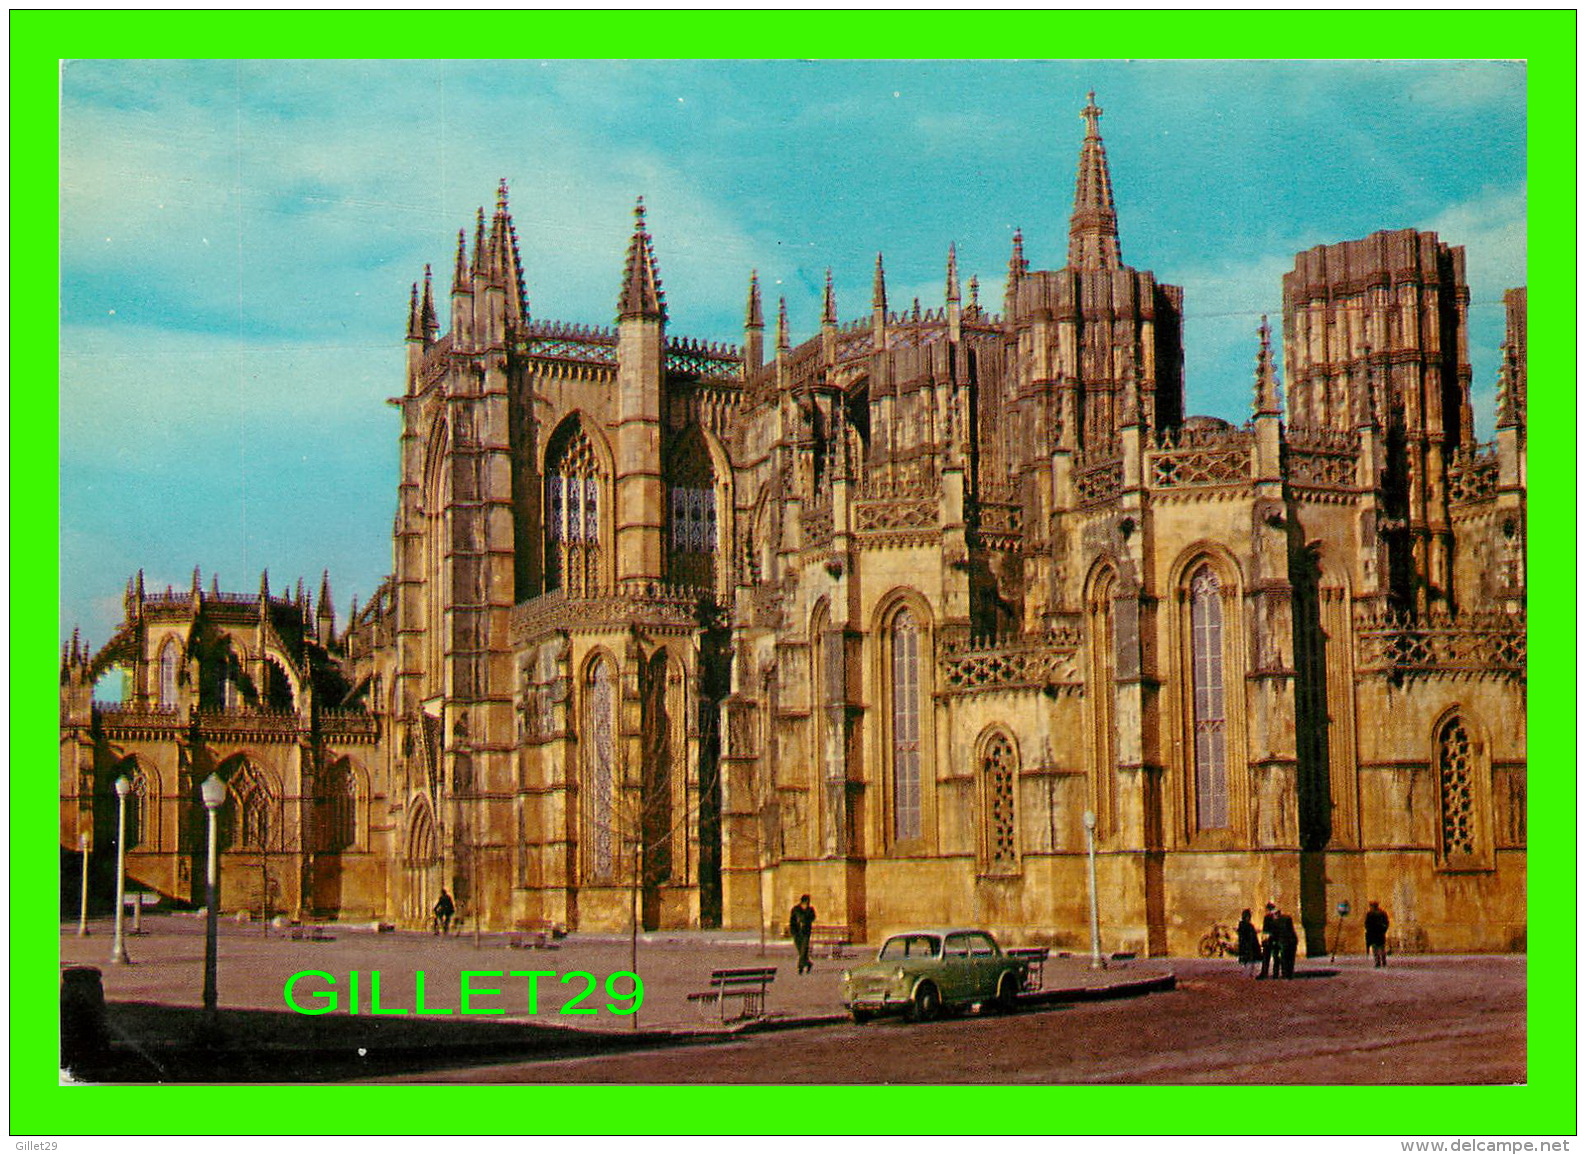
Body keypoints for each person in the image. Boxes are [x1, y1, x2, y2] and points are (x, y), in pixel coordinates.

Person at [789, 894, 817, 974]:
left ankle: (800, 967)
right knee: (800, 951)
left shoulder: (810, 910)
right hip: (797, 933)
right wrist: (792, 931)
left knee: (803, 950)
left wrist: (806, 920)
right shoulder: (795, 909)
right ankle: (808, 964)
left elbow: (813, 917)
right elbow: (792, 921)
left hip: (805, 933)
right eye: (806, 902)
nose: (807, 904)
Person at [1364, 900, 1390, 967]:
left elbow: (1367, 924)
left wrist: (1369, 931)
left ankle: (1378, 962)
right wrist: (1384, 930)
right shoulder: (1382, 913)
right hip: (1380, 933)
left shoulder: (1370, 914)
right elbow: (1387, 923)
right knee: (1382, 948)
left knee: (1375, 949)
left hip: (1373, 933)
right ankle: (1383, 962)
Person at [1257, 903, 1281, 979]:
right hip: (1277, 939)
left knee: (1266, 957)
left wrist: (1264, 939)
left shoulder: (1267, 917)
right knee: (1276, 957)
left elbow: (1266, 930)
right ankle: (1275, 973)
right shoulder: (1279, 917)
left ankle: (1264, 973)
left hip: (1269, 939)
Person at [1236, 908, 1262, 976]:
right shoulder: (1248, 926)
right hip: (1250, 947)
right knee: (1250, 964)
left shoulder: (1242, 925)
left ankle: (1248, 975)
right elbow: (1250, 936)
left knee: (1248, 964)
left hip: (1246, 947)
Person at [1275, 906, 1299, 979]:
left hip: (1284, 941)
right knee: (1290, 959)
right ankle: (1289, 973)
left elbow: (1276, 933)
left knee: (1284, 958)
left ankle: (1285, 973)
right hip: (1291, 941)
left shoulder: (1277, 921)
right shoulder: (1287, 919)